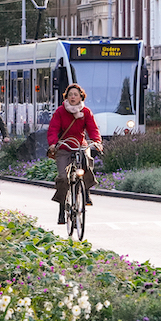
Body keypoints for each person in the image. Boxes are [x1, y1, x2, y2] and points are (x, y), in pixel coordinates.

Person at [46, 83, 102, 224]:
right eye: (70, 94)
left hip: (80, 145)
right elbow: (53, 129)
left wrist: (96, 141)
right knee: (64, 178)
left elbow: (93, 129)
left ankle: (86, 191)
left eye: (75, 95)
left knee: (87, 163)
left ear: (80, 97)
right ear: (66, 97)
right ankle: (61, 209)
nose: (73, 97)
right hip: (64, 146)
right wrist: (53, 143)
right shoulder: (60, 111)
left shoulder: (86, 112)